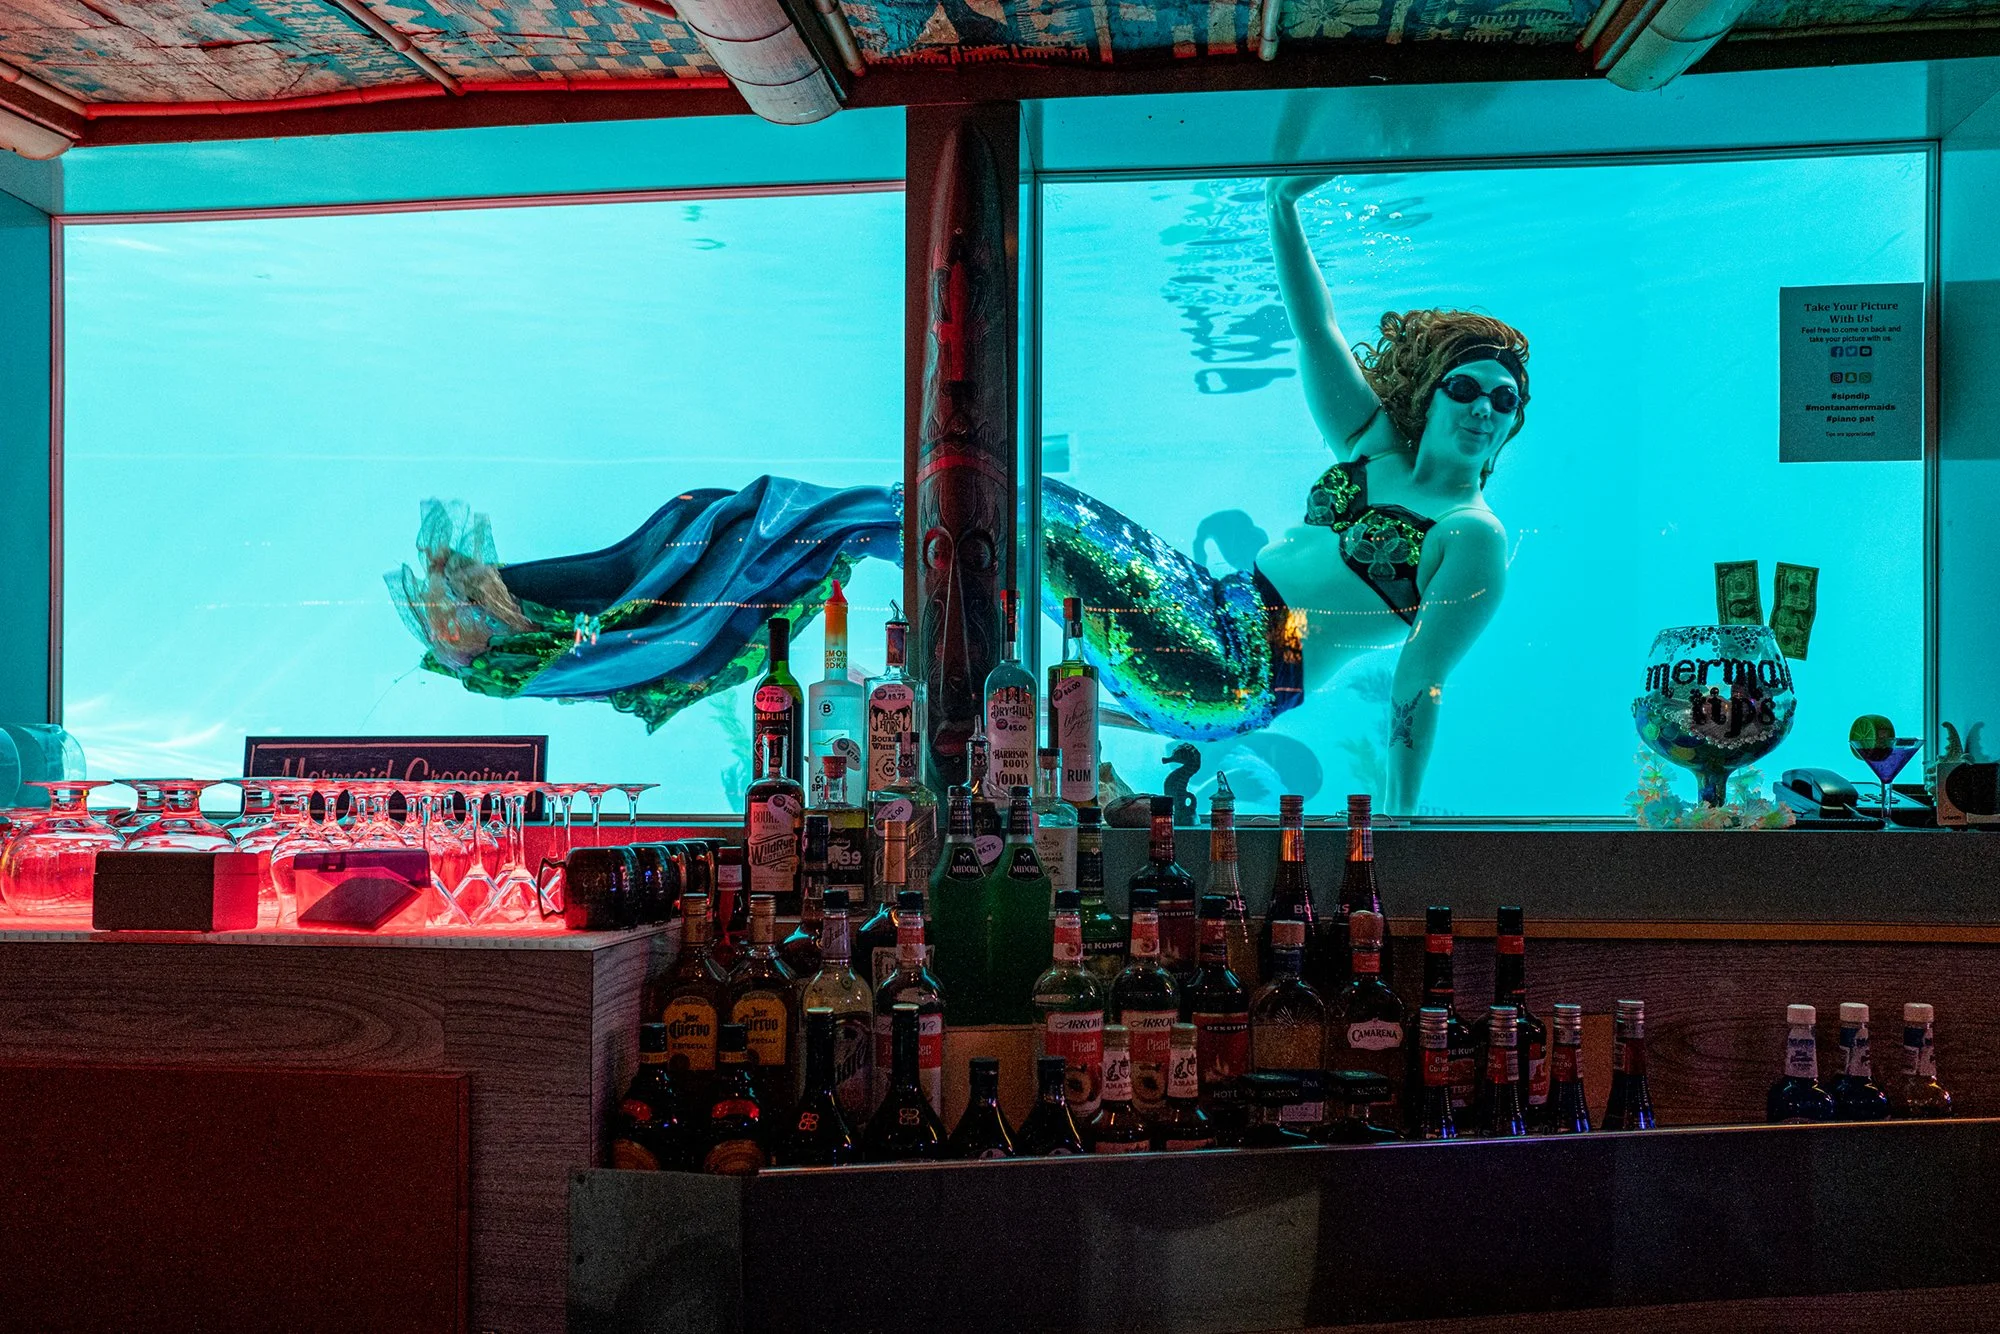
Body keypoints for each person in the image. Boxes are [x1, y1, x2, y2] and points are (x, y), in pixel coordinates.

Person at [388, 176, 1527, 814]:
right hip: (1205, 599)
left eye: (1503, 400)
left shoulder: (1469, 541)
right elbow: (1312, 327)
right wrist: (1284, 203)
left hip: (1226, 666)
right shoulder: (1373, 441)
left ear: (1510, 424)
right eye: (1468, 384)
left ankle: (548, 625)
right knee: (928, 503)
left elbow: (1415, 697)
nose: (1482, 406)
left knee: (980, 509)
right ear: (1430, 389)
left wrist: (1413, 830)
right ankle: (546, 598)